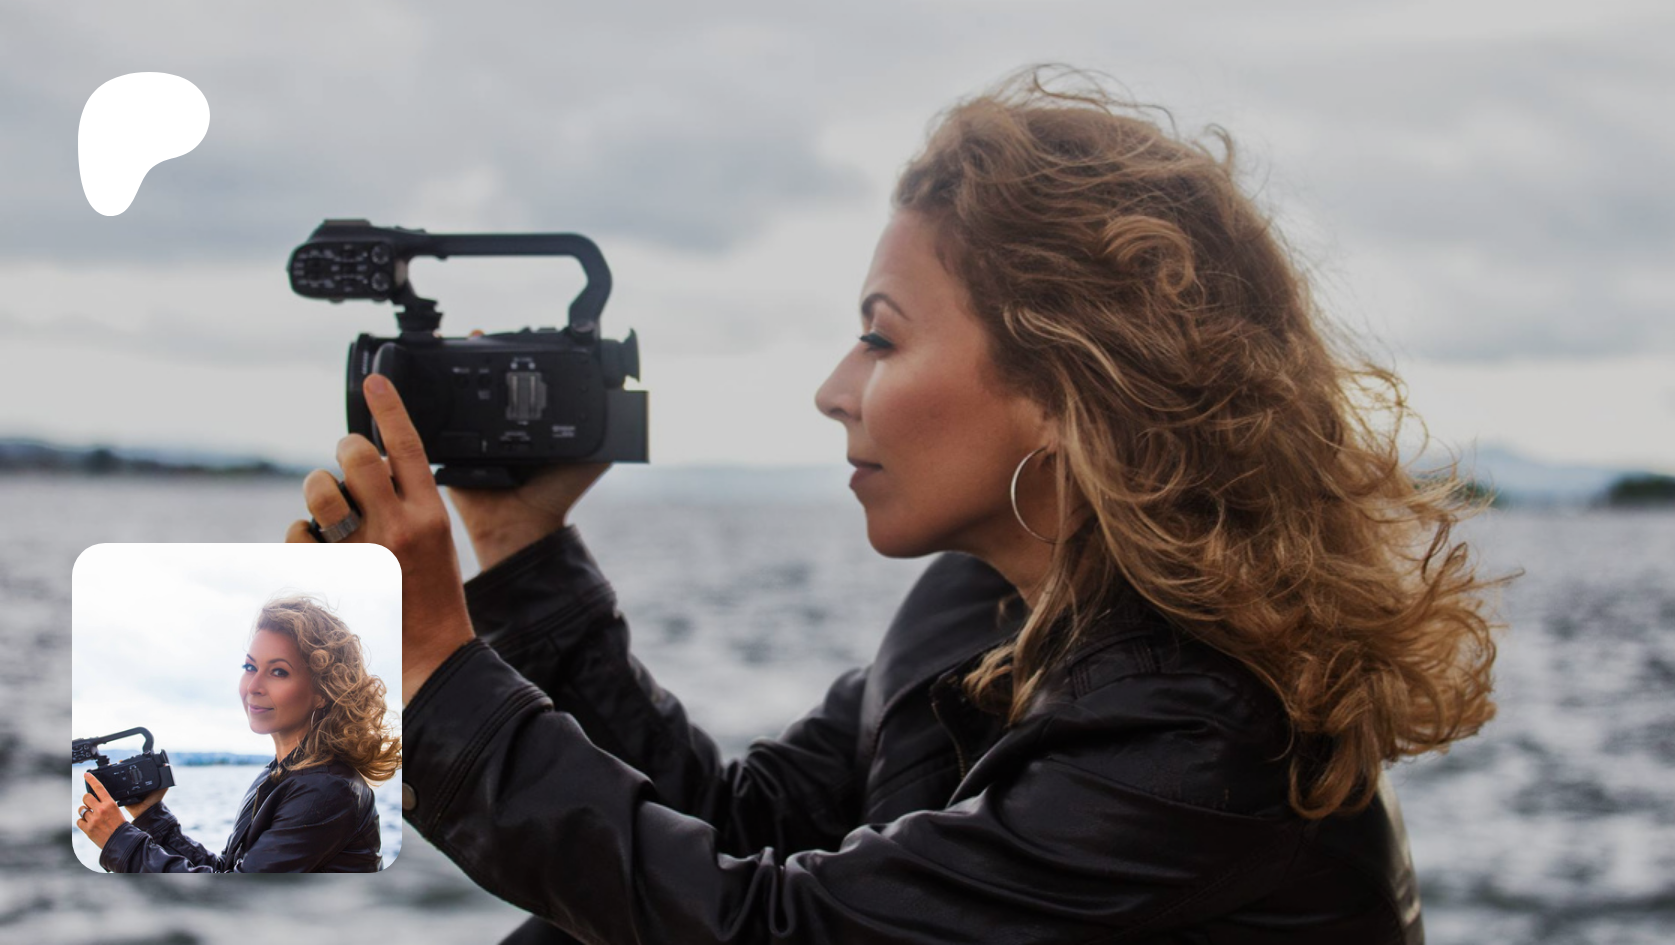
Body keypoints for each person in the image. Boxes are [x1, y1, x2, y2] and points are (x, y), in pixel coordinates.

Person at [288, 66, 1507, 941]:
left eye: (881, 338)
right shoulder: (983, 607)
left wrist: (437, 677)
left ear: (1067, 385)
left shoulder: (1198, 737)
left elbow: (781, 930)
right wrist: (519, 542)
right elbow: (743, 833)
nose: (834, 391)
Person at [75, 595, 400, 872]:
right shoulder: (279, 775)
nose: (253, 686)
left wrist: (119, 841)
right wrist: (150, 817)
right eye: (250, 667)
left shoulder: (328, 789)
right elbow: (228, 872)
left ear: (323, 692)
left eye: (278, 671)